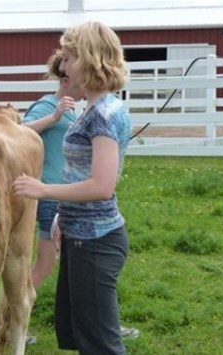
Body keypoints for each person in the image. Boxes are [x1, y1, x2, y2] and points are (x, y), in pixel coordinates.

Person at [13, 21, 133, 354]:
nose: (63, 67)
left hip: (96, 243)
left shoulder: (103, 116)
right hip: (80, 236)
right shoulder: (92, 110)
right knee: (81, 337)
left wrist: (43, 190)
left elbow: (101, 186)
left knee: (100, 345)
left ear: (89, 59)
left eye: (68, 58)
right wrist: (60, 219)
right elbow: (80, 172)